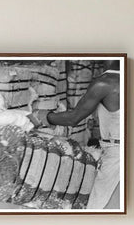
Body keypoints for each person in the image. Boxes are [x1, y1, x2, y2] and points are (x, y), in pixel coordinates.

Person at [35, 60, 121, 209]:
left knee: (99, 207)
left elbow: (73, 118)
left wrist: (44, 116)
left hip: (116, 153)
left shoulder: (105, 83)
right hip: (121, 148)